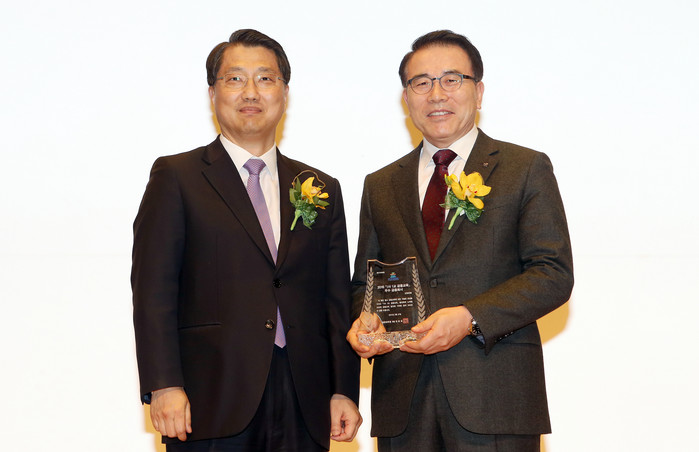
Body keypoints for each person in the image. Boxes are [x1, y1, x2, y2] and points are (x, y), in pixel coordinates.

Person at [132, 29, 361, 452]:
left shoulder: (320, 186)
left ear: (285, 93)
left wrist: (342, 389)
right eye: (235, 78)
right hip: (210, 397)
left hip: (304, 397)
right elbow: (153, 290)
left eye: (266, 78)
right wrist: (164, 384)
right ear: (213, 93)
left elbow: (335, 298)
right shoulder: (177, 177)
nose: (251, 91)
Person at [347, 30, 573, 451]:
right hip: (403, 404)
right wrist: (365, 321)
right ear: (406, 98)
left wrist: (469, 318)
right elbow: (366, 283)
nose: (437, 94)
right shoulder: (380, 184)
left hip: (495, 400)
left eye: (452, 80)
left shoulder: (524, 168)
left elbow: (552, 274)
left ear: (478, 91)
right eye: (421, 83)